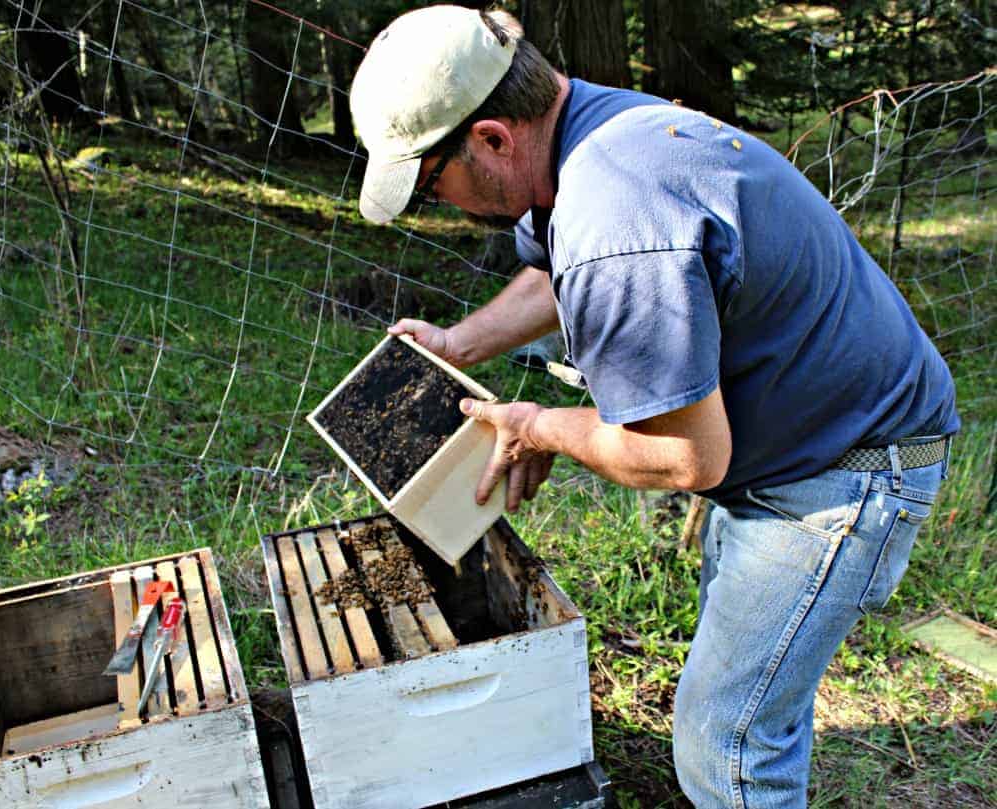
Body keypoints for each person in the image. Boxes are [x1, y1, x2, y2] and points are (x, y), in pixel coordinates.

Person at [349, 6, 959, 807]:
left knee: (726, 738)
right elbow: (554, 273)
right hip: (806, 438)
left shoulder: (617, 214)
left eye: (432, 181)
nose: (442, 204)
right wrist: (461, 345)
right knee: (755, 692)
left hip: (844, 470)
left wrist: (537, 425)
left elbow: (683, 457)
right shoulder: (590, 124)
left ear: (494, 138)